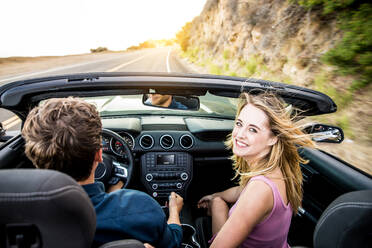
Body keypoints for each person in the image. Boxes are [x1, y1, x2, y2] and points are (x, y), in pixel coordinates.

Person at [22, 97, 183, 248]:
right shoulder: (142, 207)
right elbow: (173, 242)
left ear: (35, 159)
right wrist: (174, 210)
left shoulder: (21, 218)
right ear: (99, 154)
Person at [197, 92, 314, 248]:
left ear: (273, 138)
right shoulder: (278, 171)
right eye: (239, 124)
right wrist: (214, 196)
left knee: (217, 203)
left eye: (253, 130)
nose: (239, 134)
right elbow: (241, 191)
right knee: (217, 200)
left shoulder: (260, 189)